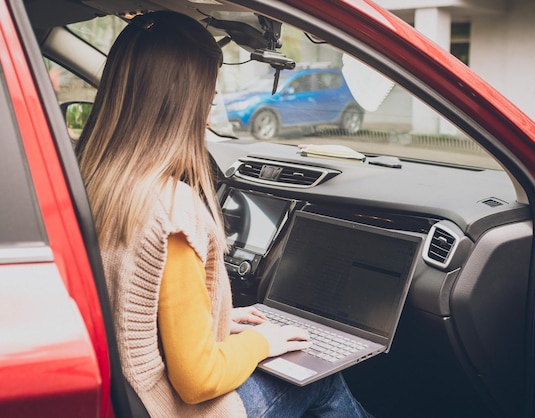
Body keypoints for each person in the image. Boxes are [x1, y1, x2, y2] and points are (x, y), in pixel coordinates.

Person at [75, 10, 371, 418]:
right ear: (182, 104)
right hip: (169, 408)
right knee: (321, 376)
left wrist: (215, 318)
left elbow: (126, 301)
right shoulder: (173, 211)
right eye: (208, 102)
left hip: (119, 395)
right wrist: (262, 342)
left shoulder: (90, 180)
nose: (209, 117)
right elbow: (197, 382)